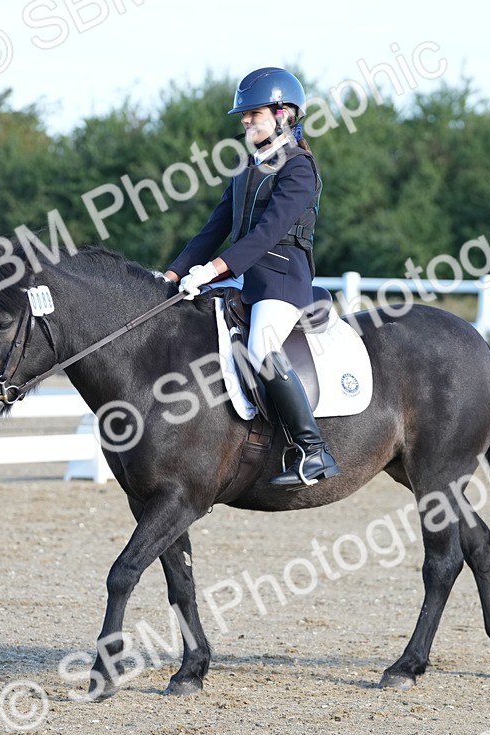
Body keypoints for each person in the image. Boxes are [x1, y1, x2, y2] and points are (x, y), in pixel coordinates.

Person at [164, 66, 340, 487]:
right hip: (239, 277)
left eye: (253, 113)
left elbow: (269, 232)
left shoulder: (300, 167)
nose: (245, 121)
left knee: (262, 347)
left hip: (281, 279)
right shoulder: (247, 167)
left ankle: (313, 450)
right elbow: (213, 229)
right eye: (244, 115)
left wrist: (216, 269)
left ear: (282, 114)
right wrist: (171, 275)